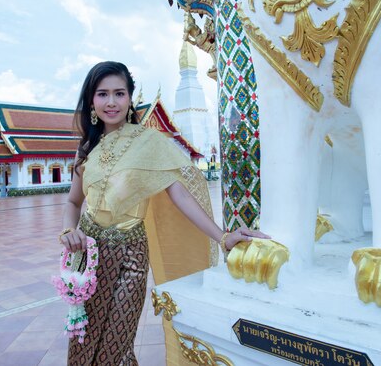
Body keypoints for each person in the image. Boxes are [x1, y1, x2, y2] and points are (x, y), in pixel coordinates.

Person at [58, 61, 268, 366]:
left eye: (119, 93)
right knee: (83, 340)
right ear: (92, 100)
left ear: (130, 98)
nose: (112, 102)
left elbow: (179, 194)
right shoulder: (87, 147)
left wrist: (223, 236)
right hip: (88, 256)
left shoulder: (150, 143)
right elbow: (73, 202)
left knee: (115, 347)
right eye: (103, 94)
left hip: (131, 254)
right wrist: (68, 231)